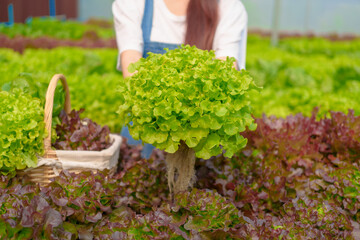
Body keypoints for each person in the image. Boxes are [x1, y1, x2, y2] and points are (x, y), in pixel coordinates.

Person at [112, 0, 248, 158]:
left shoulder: (228, 6)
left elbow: (226, 71)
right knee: (139, 175)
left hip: (201, 138)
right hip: (148, 131)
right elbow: (132, 68)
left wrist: (191, 115)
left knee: (198, 180)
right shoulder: (133, 3)